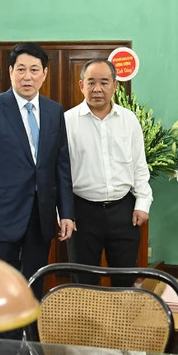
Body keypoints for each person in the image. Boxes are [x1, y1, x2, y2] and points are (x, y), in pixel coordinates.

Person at [0, 42, 75, 302]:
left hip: (41, 216)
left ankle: (31, 330)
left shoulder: (54, 111)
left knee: (34, 286)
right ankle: (4, 331)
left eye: (34, 70)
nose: (27, 76)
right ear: (10, 72)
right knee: (1, 287)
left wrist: (66, 213)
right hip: (1, 216)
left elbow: (61, 166)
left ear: (44, 73)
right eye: (21, 69)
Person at [64, 59, 152, 287]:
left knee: (125, 278)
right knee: (83, 281)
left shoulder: (129, 120)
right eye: (91, 82)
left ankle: (122, 312)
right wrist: (63, 214)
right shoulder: (66, 121)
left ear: (115, 86)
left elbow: (139, 165)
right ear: (81, 85)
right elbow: (60, 172)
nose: (97, 89)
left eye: (104, 82)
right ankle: (85, 312)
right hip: (81, 212)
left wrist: (143, 203)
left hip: (123, 210)